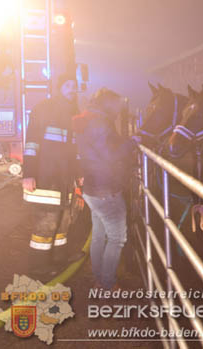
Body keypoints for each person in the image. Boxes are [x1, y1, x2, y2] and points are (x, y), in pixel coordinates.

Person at [73, 88, 137, 289]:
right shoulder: (100, 123)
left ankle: (98, 277)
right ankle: (107, 282)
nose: (119, 109)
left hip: (93, 187)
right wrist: (133, 142)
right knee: (117, 238)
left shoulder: (88, 119)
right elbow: (111, 155)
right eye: (117, 105)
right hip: (106, 188)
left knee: (99, 235)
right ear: (108, 104)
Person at [23, 73, 82, 277]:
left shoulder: (73, 113)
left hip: (64, 180)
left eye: (74, 85)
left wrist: (78, 174)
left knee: (64, 221)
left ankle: (59, 259)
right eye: (68, 85)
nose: (72, 89)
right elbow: (31, 142)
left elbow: (73, 149)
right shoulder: (44, 108)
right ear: (59, 88)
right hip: (45, 178)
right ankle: (38, 267)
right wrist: (28, 174)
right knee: (46, 224)